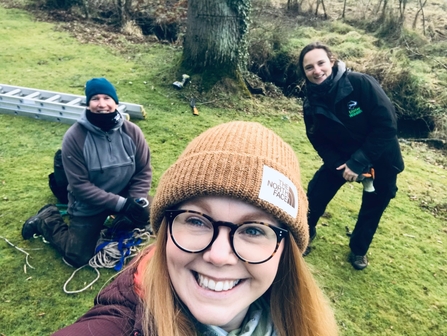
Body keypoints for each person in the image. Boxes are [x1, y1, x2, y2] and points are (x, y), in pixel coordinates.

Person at [52, 121, 338, 336]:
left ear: (286, 249)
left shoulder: (305, 322)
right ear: (165, 231)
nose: (218, 255)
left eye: (253, 230)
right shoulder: (119, 324)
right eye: (197, 220)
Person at [21, 77, 152, 268]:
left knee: (150, 212)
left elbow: (143, 171)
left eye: (107, 98)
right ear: (88, 103)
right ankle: (46, 218)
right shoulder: (75, 137)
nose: (102, 104)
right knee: (77, 257)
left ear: (115, 102)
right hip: (89, 205)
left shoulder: (132, 132)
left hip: (125, 197)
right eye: (95, 99)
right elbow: (79, 186)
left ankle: (114, 226)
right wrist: (121, 205)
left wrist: (136, 199)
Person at [298, 42, 405, 270]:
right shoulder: (310, 103)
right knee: (315, 194)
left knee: (374, 206)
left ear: (332, 62)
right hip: (342, 160)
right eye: (309, 68)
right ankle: (305, 234)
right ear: (304, 73)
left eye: (321, 63)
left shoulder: (360, 84)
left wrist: (359, 162)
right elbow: (318, 139)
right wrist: (339, 163)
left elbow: (387, 126)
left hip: (381, 157)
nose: (316, 71)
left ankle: (358, 250)